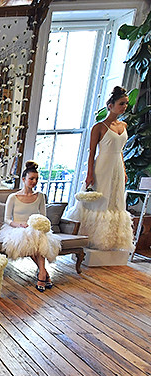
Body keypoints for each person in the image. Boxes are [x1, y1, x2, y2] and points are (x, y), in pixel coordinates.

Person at [66, 86, 134, 252]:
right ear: (110, 105)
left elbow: (120, 151)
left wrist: (124, 170)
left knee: (116, 201)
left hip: (117, 166)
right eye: (121, 103)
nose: (124, 107)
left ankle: (112, 241)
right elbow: (91, 153)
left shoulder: (124, 125)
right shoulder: (99, 127)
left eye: (126, 103)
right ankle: (90, 237)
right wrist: (90, 173)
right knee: (99, 201)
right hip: (102, 167)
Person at [0, 161, 61, 292]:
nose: (34, 182)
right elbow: (7, 219)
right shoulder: (13, 197)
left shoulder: (40, 196)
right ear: (23, 179)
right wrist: (20, 225)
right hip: (17, 228)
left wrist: (38, 226)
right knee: (31, 238)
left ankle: (42, 274)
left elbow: (43, 216)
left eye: (36, 179)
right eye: (31, 178)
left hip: (34, 228)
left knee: (38, 237)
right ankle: (44, 274)